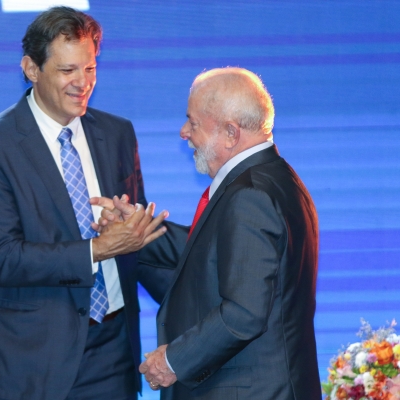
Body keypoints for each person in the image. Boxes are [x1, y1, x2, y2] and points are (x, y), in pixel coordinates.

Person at [0, 7, 168, 400]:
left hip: (112, 352)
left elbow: (137, 239)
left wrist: (128, 225)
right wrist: (99, 248)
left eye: (89, 69)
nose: (82, 83)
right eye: (68, 71)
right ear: (31, 70)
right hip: (26, 358)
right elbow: (3, 258)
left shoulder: (117, 133)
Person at [95, 67, 321, 399]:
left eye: (194, 123)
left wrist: (173, 360)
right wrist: (137, 229)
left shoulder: (250, 196)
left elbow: (244, 314)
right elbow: (210, 253)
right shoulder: (273, 177)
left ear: (231, 133)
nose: (183, 132)